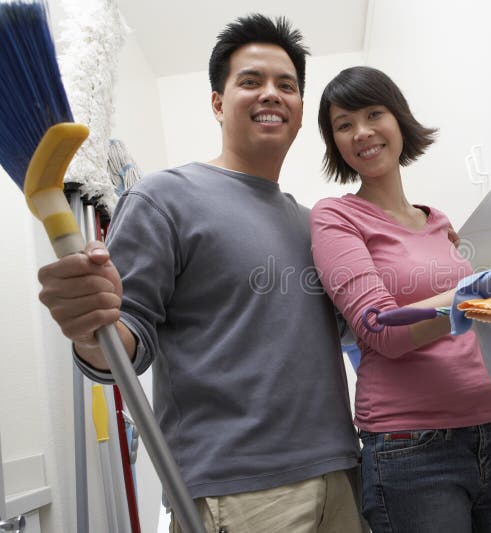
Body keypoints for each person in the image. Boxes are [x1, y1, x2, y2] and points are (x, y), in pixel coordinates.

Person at [37, 15, 363, 533]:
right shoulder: (166, 198)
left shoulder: (314, 224)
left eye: (288, 86)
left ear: (301, 111)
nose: (272, 94)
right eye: (251, 81)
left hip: (344, 476)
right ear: (217, 102)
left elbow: (358, 328)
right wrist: (87, 325)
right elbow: (124, 345)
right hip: (237, 491)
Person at [310, 65, 491, 533]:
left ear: (399, 119)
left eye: (374, 113)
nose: (362, 132)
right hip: (410, 449)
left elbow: (469, 317)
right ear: (335, 143)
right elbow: (380, 329)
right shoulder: (336, 216)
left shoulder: (437, 221)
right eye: (344, 124)